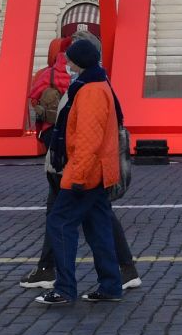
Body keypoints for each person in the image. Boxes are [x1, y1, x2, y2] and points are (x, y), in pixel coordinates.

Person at [37, 36, 125, 307]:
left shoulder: (88, 91)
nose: (67, 64)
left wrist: (75, 176)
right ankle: (110, 284)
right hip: (97, 170)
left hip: (86, 172)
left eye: (70, 59)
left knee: (60, 223)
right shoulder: (96, 84)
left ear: (78, 61)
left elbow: (88, 139)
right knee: (97, 226)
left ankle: (64, 288)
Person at [20, 37, 74, 291]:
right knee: (97, 211)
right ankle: (124, 267)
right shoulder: (88, 78)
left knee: (57, 208)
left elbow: (33, 99)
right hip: (78, 144)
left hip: (55, 139)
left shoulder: (46, 74)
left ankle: (47, 269)